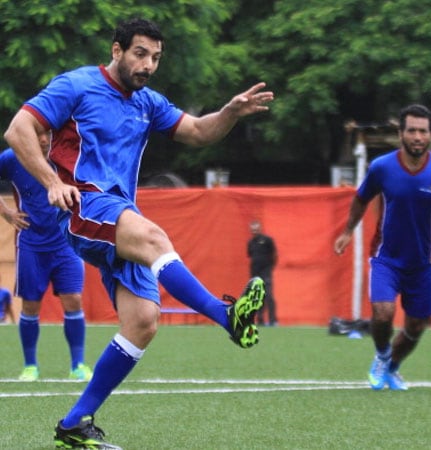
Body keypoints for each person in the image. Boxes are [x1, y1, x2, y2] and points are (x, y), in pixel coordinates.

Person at [4, 18, 272, 449]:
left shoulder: (148, 102)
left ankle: (74, 424)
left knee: (144, 322)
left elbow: (199, 132)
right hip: (83, 205)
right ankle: (227, 317)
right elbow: (18, 130)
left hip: (118, 212)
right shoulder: (76, 85)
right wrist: (52, 182)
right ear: (117, 51)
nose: (148, 64)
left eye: (156, 58)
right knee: (153, 238)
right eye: (141, 54)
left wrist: (230, 113)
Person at [334, 104, 431, 391]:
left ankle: (393, 367)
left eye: (423, 131)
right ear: (401, 134)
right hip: (387, 257)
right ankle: (382, 356)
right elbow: (361, 199)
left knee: (417, 326)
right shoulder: (382, 167)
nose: (417, 136)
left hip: (423, 261)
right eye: (412, 131)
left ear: (430, 135)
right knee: (382, 313)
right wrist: (347, 231)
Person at [0, 131, 93, 382]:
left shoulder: (67, 157)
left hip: (67, 242)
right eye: (36, 134)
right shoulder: (12, 158)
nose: (42, 140)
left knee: (73, 299)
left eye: (46, 134)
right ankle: (30, 366)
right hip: (30, 243)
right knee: (30, 305)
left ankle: (78, 365)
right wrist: (6, 212)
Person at [247, 220, 278, 326]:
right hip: (255, 273)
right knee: (257, 297)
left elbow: (274, 254)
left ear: (260, 229)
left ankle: (273, 320)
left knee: (268, 295)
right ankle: (260, 320)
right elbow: (250, 255)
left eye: (256, 229)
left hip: (266, 272)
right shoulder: (250, 242)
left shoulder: (268, 240)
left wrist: (270, 266)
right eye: (253, 230)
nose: (255, 231)